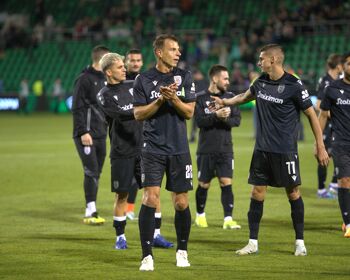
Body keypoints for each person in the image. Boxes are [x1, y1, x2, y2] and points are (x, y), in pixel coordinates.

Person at [212, 44, 329, 256]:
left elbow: (312, 115)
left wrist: (320, 145)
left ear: (273, 60)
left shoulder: (294, 85)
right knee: (257, 192)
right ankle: (252, 242)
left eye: (261, 59)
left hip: (285, 151)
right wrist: (224, 101)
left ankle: (300, 242)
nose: (258, 62)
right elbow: (243, 97)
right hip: (262, 150)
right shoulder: (261, 82)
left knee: (293, 193)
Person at [133, 34, 196, 271]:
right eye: (173, 49)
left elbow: (189, 112)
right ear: (159, 53)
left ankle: (182, 251)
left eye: (178, 49)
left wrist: (173, 99)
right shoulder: (144, 79)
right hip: (152, 148)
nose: (178, 53)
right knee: (150, 197)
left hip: (179, 148)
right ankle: (146, 256)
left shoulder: (185, 76)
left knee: (181, 203)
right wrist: (160, 100)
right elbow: (138, 114)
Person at [124, 48, 173, 249]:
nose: (135, 63)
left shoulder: (148, 80)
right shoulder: (121, 82)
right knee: (124, 188)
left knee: (153, 189)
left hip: (149, 142)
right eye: (132, 60)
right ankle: (122, 230)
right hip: (127, 142)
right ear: (126, 62)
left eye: (138, 60)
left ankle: (156, 234)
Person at [96, 53, 142, 249]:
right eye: (120, 67)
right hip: (121, 151)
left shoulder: (133, 86)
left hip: (144, 149)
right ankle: (120, 237)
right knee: (122, 195)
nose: (125, 69)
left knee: (152, 191)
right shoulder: (104, 95)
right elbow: (121, 115)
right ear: (108, 72)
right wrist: (143, 110)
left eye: (124, 66)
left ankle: (155, 234)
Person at [194, 64, 241, 230]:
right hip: (206, 149)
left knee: (226, 182)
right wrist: (215, 115)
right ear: (215, 78)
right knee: (203, 184)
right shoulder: (200, 98)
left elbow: (237, 121)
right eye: (225, 78)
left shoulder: (230, 97)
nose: (228, 81)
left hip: (225, 149)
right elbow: (199, 121)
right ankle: (200, 216)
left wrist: (224, 118)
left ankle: (228, 219)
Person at [72, 45, 110, 225]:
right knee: (91, 170)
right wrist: (83, 132)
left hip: (101, 133)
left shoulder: (106, 79)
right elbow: (77, 107)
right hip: (86, 134)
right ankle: (91, 210)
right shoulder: (84, 79)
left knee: (97, 171)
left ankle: (91, 206)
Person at [318, 52, 350, 238]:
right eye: (348, 63)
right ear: (342, 67)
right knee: (344, 180)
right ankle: (348, 223)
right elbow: (322, 115)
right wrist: (319, 142)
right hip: (341, 143)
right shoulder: (332, 88)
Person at [315, 54, 343, 198]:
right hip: (326, 126)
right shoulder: (326, 82)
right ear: (338, 66)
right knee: (325, 157)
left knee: (339, 154)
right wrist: (339, 113)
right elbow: (319, 105)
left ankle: (333, 186)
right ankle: (321, 189)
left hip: (337, 126)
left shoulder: (339, 81)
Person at [189, 69, 209, 143]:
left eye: (197, 74)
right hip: (197, 105)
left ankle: (205, 137)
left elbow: (206, 92)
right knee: (195, 123)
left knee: (205, 122)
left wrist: (196, 94)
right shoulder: (195, 82)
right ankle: (193, 137)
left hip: (205, 105)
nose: (195, 76)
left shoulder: (205, 82)